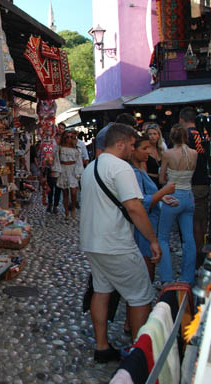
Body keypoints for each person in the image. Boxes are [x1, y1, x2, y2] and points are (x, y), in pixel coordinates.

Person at [80, 124, 161, 363]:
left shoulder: (91, 168)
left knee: (102, 291)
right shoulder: (121, 168)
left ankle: (102, 347)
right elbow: (134, 207)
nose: (134, 149)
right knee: (140, 296)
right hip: (116, 243)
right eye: (133, 145)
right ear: (121, 144)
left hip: (92, 241)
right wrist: (152, 240)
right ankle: (139, 354)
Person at [130, 135, 175, 280]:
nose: (148, 151)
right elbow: (141, 202)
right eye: (144, 148)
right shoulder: (134, 172)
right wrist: (164, 191)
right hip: (143, 227)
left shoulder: (140, 169)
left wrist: (161, 197)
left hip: (150, 223)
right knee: (146, 270)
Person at [157, 124, 198, 284]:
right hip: (188, 195)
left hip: (172, 195)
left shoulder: (168, 154)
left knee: (163, 237)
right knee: (189, 238)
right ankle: (187, 277)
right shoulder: (194, 154)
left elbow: (161, 179)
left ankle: (167, 278)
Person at [179, 106, 209, 265]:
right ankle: (202, 250)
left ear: (182, 120)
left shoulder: (185, 136)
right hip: (204, 180)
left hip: (192, 182)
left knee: (194, 222)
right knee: (203, 220)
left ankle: (197, 255)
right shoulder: (204, 133)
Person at [56, 130, 83, 219]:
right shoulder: (59, 148)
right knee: (65, 193)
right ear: (64, 137)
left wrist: (79, 172)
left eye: (71, 137)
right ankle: (66, 212)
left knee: (74, 192)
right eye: (67, 137)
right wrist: (57, 171)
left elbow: (79, 161)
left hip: (73, 169)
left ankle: (74, 207)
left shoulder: (77, 148)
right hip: (63, 169)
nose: (69, 139)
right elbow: (57, 160)